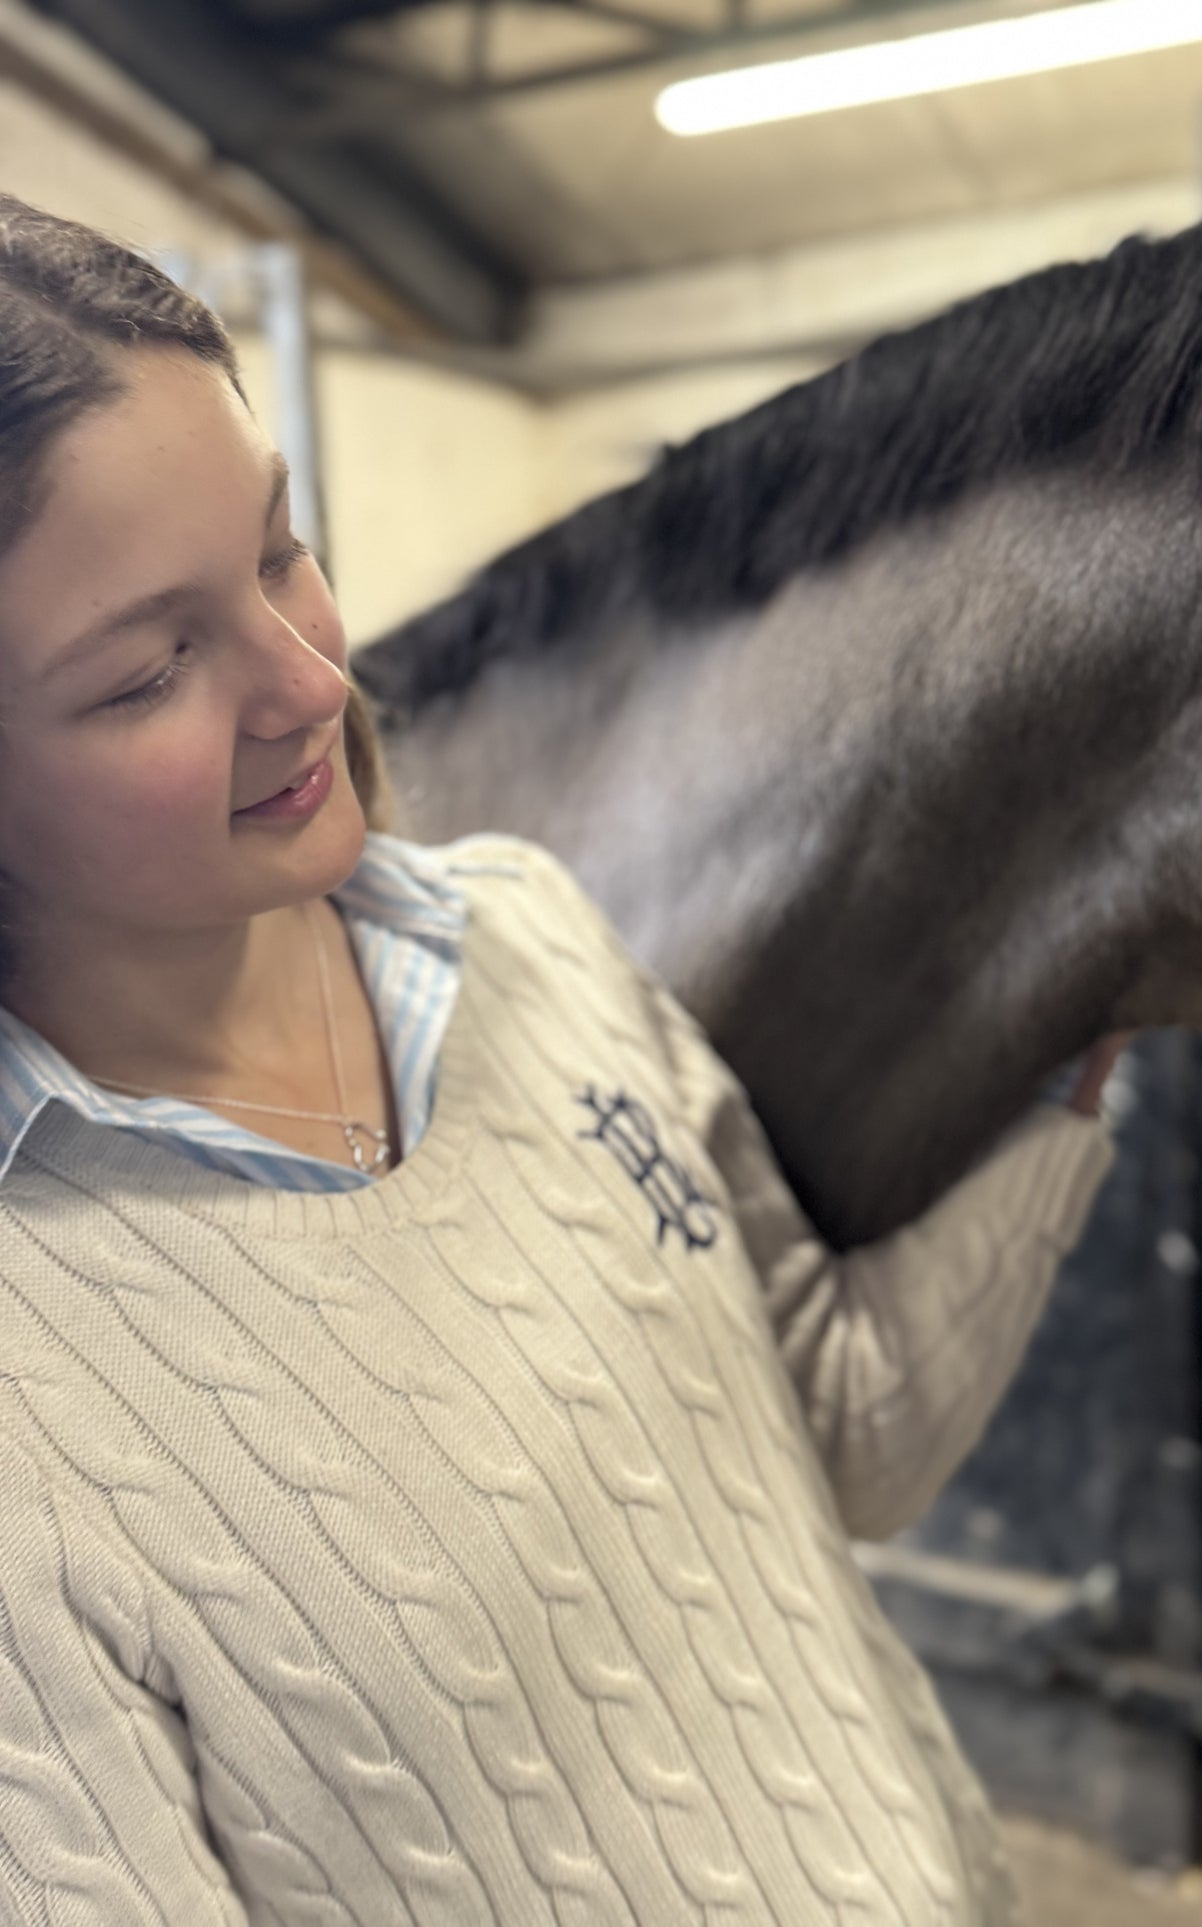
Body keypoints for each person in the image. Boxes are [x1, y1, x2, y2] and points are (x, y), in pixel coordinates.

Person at [0, 193, 1122, 1925]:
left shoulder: (521, 934)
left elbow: (836, 1431)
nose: (305, 679)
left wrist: (1080, 1008)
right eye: (152, 666)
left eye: (280, 550)